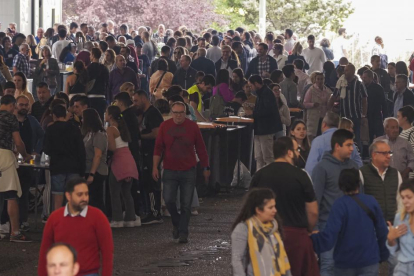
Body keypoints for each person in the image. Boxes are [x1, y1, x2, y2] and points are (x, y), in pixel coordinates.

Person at [250, 137, 319, 276]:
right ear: (289, 152)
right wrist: (309, 230)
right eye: (296, 150)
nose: (298, 153)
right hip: (296, 238)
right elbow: (313, 212)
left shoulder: (259, 175)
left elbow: (250, 209)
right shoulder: (301, 175)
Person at [311, 168, 389, 275]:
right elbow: (382, 231)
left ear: (340, 185)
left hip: (345, 262)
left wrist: (311, 240)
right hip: (369, 259)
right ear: (359, 183)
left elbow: (329, 237)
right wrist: (383, 254)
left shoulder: (339, 205)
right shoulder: (371, 201)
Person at [153, 101, 210, 243]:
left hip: (188, 170)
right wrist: (155, 166)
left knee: (186, 204)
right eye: (176, 112)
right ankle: (177, 223)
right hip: (170, 170)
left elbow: (201, 148)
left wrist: (206, 167)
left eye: (181, 113)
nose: (178, 116)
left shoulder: (192, 127)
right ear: (171, 113)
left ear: (185, 113)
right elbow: (158, 148)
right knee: (169, 199)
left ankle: (183, 232)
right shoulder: (165, 126)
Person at [38, 177, 113, 276]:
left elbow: (107, 252)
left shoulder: (98, 217)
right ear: (68, 196)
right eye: (80, 194)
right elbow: (44, 252)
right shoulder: (54, 218)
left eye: (86, 194)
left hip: (88, 273)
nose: (85, 198)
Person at [311, 129, 359, 276]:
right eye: (349, 145)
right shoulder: (321, 168)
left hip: (350, 226)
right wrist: (316, 227)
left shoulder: (353, 167)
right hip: (327, 227)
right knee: (328, 265)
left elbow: (359, 196)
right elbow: (315, 199)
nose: (352, 149)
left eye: (353, 145)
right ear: (337, 146)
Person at [231, 188, 292, 276]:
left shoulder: (274, 229)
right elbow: (237, 260)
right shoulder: (243, 229)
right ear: (258, 210)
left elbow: (283, 259)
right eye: (270, 207)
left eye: (274, 206)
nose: (275, 210)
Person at [0, 95, 32, 242]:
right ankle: (15, 232)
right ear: (12, 105)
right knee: (11, 195)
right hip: (5, 157)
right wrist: (25, 155)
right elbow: (18, 142)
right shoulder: (11, 118)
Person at [43, 105, 85, 211]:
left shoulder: (51, 129)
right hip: (74, 167)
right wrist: (83, 171)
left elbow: (46, 149)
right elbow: (81, 150)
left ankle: (58, 223)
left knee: (57, 196)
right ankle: (72, 222)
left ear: (54, 115)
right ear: (65, 114)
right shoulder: (75, 129)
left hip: (57, 167)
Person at [133, 90, 165, 224]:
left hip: (153, 153)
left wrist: (140, 136)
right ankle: (150, 210)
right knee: (146, 182)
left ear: (143, 99)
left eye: (136, 100)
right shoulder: (145, 114)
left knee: (152, 182)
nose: (134, 103)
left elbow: (157, 133)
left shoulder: (153, 114)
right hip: (146, 153)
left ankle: (155, 212)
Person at [105, 105, 139, 228]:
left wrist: (105, 147)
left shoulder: (110, 129)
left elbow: (113, 148)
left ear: (110, 116)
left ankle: (117, 219)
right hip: (129, 161)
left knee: (114, 192)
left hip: (118, 161)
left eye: (106, 112)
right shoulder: (123, 127)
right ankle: (131, 218)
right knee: (126, 192)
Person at [112, 92, 141, 215]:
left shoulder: (125, 116)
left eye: (116, 102)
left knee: (128, 187)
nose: (115, 104)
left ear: (121, 103)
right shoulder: (131, 115)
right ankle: (132, 213)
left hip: (129, 152)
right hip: (132, 151)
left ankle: (131, 212)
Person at [328, 64, 368, 153]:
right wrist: (329, 109)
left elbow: (364, 100)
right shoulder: (341, 83)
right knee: (343, 138)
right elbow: (334, 96)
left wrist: (363, 115)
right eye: (344, 70)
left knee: (356, 138)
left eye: (347, 70)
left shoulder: (359, 84)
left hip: (355, 115)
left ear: (353, 72)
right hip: (344, 116)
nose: (345, 72)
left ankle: (358, 158)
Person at [246, 75, 282, 170]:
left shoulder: (266, 93)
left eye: (251, 85)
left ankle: (269, 178)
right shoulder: (261, 93)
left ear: (256, 84)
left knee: (267, 156)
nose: (251, 88)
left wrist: (253, 112)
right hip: (259, 129)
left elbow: (267, 111)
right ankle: (259, 178)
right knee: (258, 157)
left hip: (266, 129)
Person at [81, 109, 108, 213]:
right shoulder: (90, 134)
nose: (82, 120)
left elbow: (98, 155)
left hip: (97, 171)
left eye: (84, 118)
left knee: (95, 200)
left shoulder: (99, 135)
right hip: (89, 169)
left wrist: (92, 174)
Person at [387, 179, 414, 275]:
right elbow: (394, 250)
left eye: (409, 197)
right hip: (401, 271)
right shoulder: (399, 218)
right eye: (402, 197)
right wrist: (390, 239)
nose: (405, 201)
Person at [361, 69, 388, 143]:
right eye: (363, 77)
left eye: (365, 77)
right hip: (367, 117)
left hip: (377, 116)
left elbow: (384, 103)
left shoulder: (378, 88)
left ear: (371, 78)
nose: (363, 79)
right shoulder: (362, 87)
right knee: (368, 136)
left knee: (379, 136)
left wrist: (385, 117)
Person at [303, 72, 332, 140]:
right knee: (312, 135)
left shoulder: (327, 91)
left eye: (321, 79)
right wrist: (313, 104)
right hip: (313, 117)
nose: (320, 81)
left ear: (324, 80)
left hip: (324, 116)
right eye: (318, 79)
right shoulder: (311, 90)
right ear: (315, 80)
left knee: (323, 134)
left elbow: (330, 102)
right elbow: (305, 103)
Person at [87, 48, 109, 120]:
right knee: (100, 118)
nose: (89, 56)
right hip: (101, 97)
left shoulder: (88, 68)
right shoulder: (104, 68)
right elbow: (108, 83)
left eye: (90, 54)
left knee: (90, 119)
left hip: (90, 97)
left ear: (93, 55)